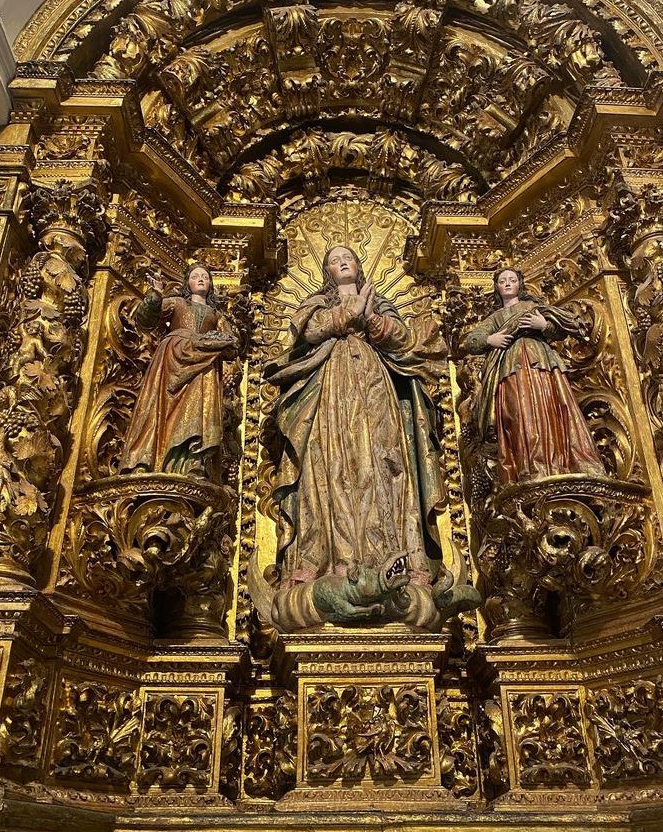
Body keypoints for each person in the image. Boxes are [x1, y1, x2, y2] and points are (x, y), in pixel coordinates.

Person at [264, 245, 447, 614]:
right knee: (330, 466)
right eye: (333, 260)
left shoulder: (378, 300)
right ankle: (331, 562)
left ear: (359, 265)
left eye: (347, 257)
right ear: (327, 272)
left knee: (384, 465)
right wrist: (350, 313)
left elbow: (402, 339)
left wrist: (373, 318)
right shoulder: (318, 302)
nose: (342, 262)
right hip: (330, 388)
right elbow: (310, 330)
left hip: (376, 385)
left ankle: (394, 561)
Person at [460, 267, 604, 485]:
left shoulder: (533, 307)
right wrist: (491, 340)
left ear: (520, 284)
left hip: (541, 363)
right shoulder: (495, 318)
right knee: (520, 413)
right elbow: (471, 341)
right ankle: (530, 467)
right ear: (497, 288)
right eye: (502, 281)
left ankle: (563, 463)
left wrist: (543, 325)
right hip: (511, 367)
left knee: (550, 408)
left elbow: (561, 328)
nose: (508, 284)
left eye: (512, 280)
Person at [119, 263, 237, 480]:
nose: (201, 279)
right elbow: (146, 321)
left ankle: (192, 462)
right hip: (172, 358)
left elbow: (232, 346)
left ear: (211, 285)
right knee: (159, 405)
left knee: (197, 408)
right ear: (187, 283)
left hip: (203, 363)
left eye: (205, 277)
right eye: (195, 276)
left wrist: (220, 341)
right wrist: (156, 294)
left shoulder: (216, 315)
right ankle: (146, 459)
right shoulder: (177, 303)